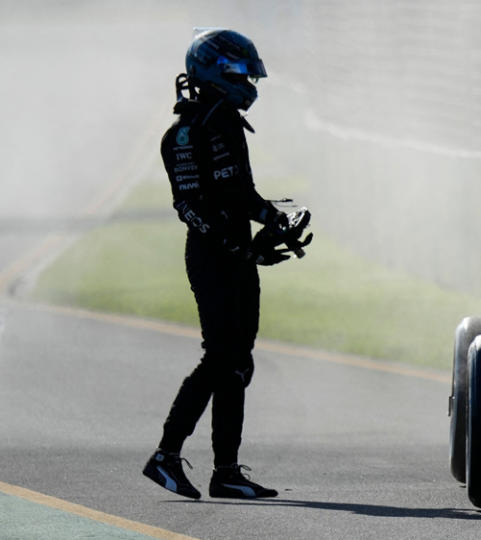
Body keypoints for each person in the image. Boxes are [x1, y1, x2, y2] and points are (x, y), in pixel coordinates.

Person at [143, 28, 305, 500]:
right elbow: (190, 209)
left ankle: (226, 472)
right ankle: (165, 457)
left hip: (237, 255)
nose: (250, 82)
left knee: (237, 363)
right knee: (219, 357)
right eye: (241, 72)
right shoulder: (184, 134)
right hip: (213, 259)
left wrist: (275, 218)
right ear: (217, 71)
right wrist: (243, 250)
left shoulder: (228, 123)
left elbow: (239, 196)